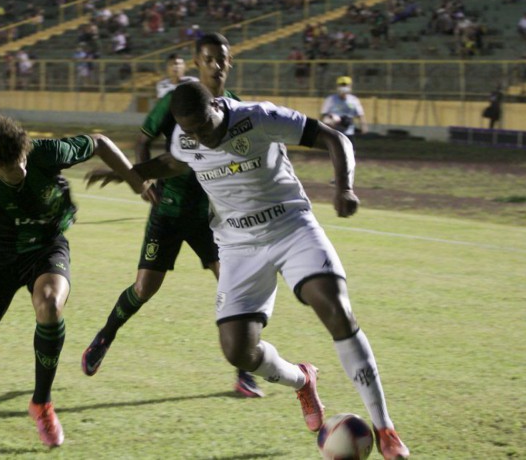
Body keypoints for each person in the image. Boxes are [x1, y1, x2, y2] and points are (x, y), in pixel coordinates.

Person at [85, 81, 410, 460]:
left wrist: (344, 188)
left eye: (205, 127)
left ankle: (385, 428)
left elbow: (336, 139)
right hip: (237, 245)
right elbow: (178, 161)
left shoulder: (259, 117)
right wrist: (134, 172)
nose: (200, 139)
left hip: (290, 227)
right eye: (190, 132)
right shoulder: (189, 137)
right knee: (238, 350)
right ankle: (302, 380)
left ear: (217, 108)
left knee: (334, 307)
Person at [0, 116, 147, 447]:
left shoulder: (47, 152)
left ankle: (42, 402)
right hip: (0, 254)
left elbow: (99, 141)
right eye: (10, 168)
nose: (21, 170)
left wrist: (137, 183)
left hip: (47, 246)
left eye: (21, 159)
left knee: (50, 303)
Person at [81, 33, 264, 398]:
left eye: (222, 59)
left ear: (230, 62)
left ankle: (244, 371)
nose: (216, 65)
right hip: (168, 211)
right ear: (197, 62)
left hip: (209, 217)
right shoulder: (176, 101)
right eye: (209, 59)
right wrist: (139, 176)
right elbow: (146, 138)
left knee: (233, 286)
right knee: (144, 289)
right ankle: (105, 336)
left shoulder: (237, 108)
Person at [320, 76, 366, 146]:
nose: (344, 87)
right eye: (341, 85)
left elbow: (360, 114)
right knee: (335, 152)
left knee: (350, 152)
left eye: (346, 85)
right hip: (334, 132)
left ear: (350, 86)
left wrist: (363, 126)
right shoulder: (330, 99)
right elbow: (323, 115)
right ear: (337, 86)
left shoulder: (354, 100)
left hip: (349, 132)